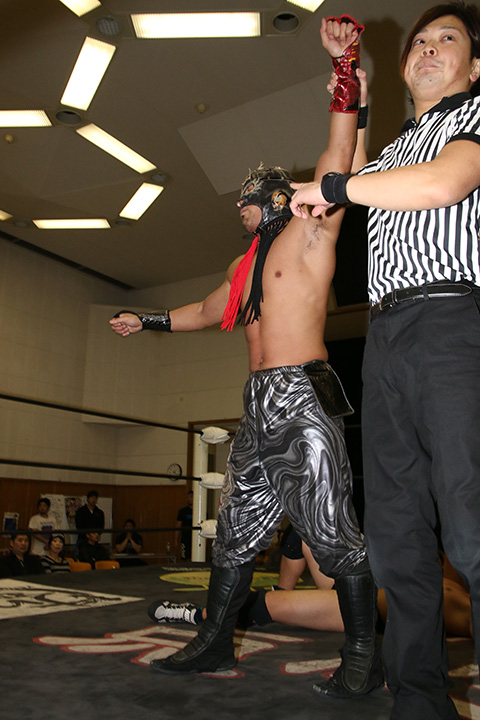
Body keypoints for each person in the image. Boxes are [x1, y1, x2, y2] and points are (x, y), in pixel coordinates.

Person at [110, 17, 384, 698]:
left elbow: (340, 155)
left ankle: (363, 655)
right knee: (234, 529)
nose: (238, 204)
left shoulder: (310, 231)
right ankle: (214, 643)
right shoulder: (241, 269)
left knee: (331, 529)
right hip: (258, 404)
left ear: (275, 200)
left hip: (303, 393)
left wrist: (345, 72)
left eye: (247, 197)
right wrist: (144, 320)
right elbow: (205, 312)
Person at [289, 3, 480, 718]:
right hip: (388, 337)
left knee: (470, 520)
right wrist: (349, 74)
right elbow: (360, 164)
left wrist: (334, 188)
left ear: (475, 67)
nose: (427, 48)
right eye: (419, 41)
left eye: (447, 39)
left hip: (454, 324)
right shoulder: (402, 146)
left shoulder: (475, 116)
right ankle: (420, 704)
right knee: (397, 536)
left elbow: (442, 186)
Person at [175, 491, 193, 560]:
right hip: (185, 539)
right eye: (188, 497)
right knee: (184, 558)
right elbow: (178, 526)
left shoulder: (201, 512)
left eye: (191, 497)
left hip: (196, 539)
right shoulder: (182, 511)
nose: (189, 499)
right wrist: (176, 540)